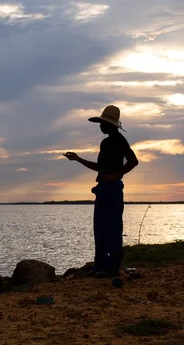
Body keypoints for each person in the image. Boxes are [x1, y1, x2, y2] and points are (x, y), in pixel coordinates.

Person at [63, 105, 138, 278]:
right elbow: (100, 168)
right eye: (100, 123)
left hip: (112, 190)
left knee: (112, 228)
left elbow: (133, 161)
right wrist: (78, 159)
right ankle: (100, 266)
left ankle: (111, 268)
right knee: (100, 229)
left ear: (111, 125)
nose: (100, 126)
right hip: (103, 190)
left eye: (103, 123)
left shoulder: (119, 140)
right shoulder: (105, 143)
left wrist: (115, 176)